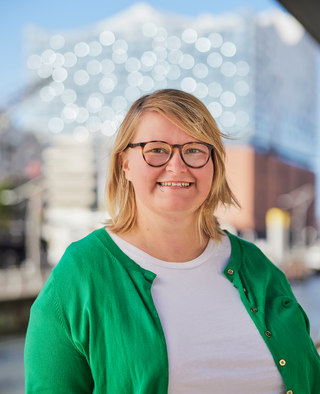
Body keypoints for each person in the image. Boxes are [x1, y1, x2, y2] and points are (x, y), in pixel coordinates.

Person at [25, 89, 320, 393]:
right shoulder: (80, 276)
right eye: (156, 149)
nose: (177, 166)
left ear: (213, 164)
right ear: (125, 163)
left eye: (194, 150)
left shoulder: (257, 266)